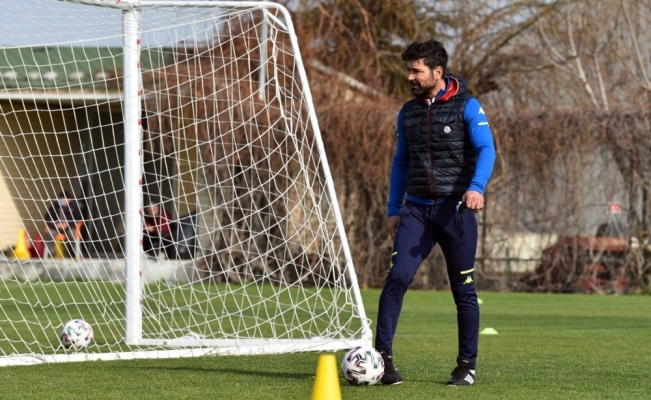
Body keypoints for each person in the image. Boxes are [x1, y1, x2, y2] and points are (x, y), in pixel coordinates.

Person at [375, 39, 496, 386]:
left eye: (416, 70)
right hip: (416, 210)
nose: (410, 76)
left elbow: (487, 149)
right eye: (408, 70)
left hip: (455, 210)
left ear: (437, 72)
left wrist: (476, 187)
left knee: (463, 288)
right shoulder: (408, 112)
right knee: (397, 276)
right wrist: (393, 209)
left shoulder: (467, 106)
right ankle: (382, 359)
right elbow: (401, 162)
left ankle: (466, 366)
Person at [43, 190, 83, 258]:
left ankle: (76, 253)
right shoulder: (54, 206)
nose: (62, 201)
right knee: (49, 234)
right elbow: (47, 217)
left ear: (68, 200)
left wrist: (68, 224)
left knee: (72, 234)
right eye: (61, 199)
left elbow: (78, 218)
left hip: (68, 227)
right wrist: (56, 224)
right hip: (56, 228)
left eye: (64, 199)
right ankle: (51, 253)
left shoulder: (74, 206)